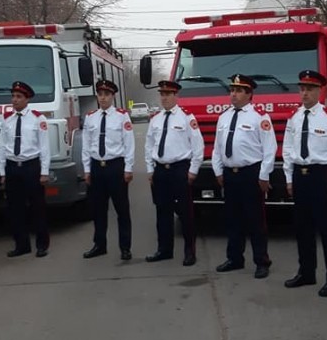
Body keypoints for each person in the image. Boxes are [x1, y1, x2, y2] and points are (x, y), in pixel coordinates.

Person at [282, 70, 327, 296]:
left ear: (319, 91)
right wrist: (289, 177)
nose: (305, 93)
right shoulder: (294, 116)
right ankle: (306, 272)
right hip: (301, 176)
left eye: (310, 89)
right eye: (302, 88)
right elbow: (288, 149)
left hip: (322, 176)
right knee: (302, 228)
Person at [211, 74, 276, 279]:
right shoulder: (224, 116)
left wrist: (264, 176)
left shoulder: (259, 116)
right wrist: (218, 170)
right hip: (230, 174)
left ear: (249, 94)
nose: (234, 94)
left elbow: (269, 149)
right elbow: (217, 148)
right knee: (232, 219)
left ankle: (261, 261)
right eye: (232, 90)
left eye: (239, 90)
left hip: (251, 174)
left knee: (255, 220)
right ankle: (235, 259)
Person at [144, 80, 204, 266]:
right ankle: (164, 250)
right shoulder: (155, 119)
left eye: (168, 94)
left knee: (186, 214)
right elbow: (149, 146)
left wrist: (193, 171)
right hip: (160, 170)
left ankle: (189, 252)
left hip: (180, 170)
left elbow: (198, 146)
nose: (164, 97)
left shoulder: (187, 117)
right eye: (162, 94)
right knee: (162, 212)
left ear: (176, 96)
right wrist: (150, 169)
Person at [81, 79, 135, 261]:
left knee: (122, 210)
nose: (103, 98)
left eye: (106, 95)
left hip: (115, 167)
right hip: (97, 167)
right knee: (98, 210)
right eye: (100, 94)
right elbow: (86, 146)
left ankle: (125, 247)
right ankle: (99, 245)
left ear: (113, 96)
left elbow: (129, 144)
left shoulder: (121, 116)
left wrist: (128, 168)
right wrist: (87, 170)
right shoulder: (90, 117)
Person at [0, 81, 51, 258]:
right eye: (13, 96)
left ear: (27, 99)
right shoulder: (7, 119)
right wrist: (3, 172)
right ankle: (21, 245)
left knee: (37, 208)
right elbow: (2, 147)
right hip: (13, 167)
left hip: (31, 166)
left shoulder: (38, 118)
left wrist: (44, 171)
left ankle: (42, 244)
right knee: (15, 209)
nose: (15, 100)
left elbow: (44, 147)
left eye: (19, 97)